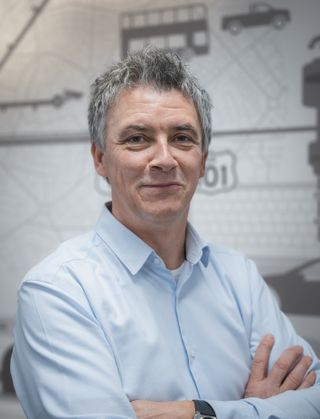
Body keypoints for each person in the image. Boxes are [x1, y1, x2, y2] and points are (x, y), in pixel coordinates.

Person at [11, 47, 320, 419]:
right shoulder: (57, 291)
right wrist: (259, 409)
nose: (164, 159)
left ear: (203, 161)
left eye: (182, 138)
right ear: (99, 159)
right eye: (137, 139)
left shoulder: (240, 278)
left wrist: (199, 412)